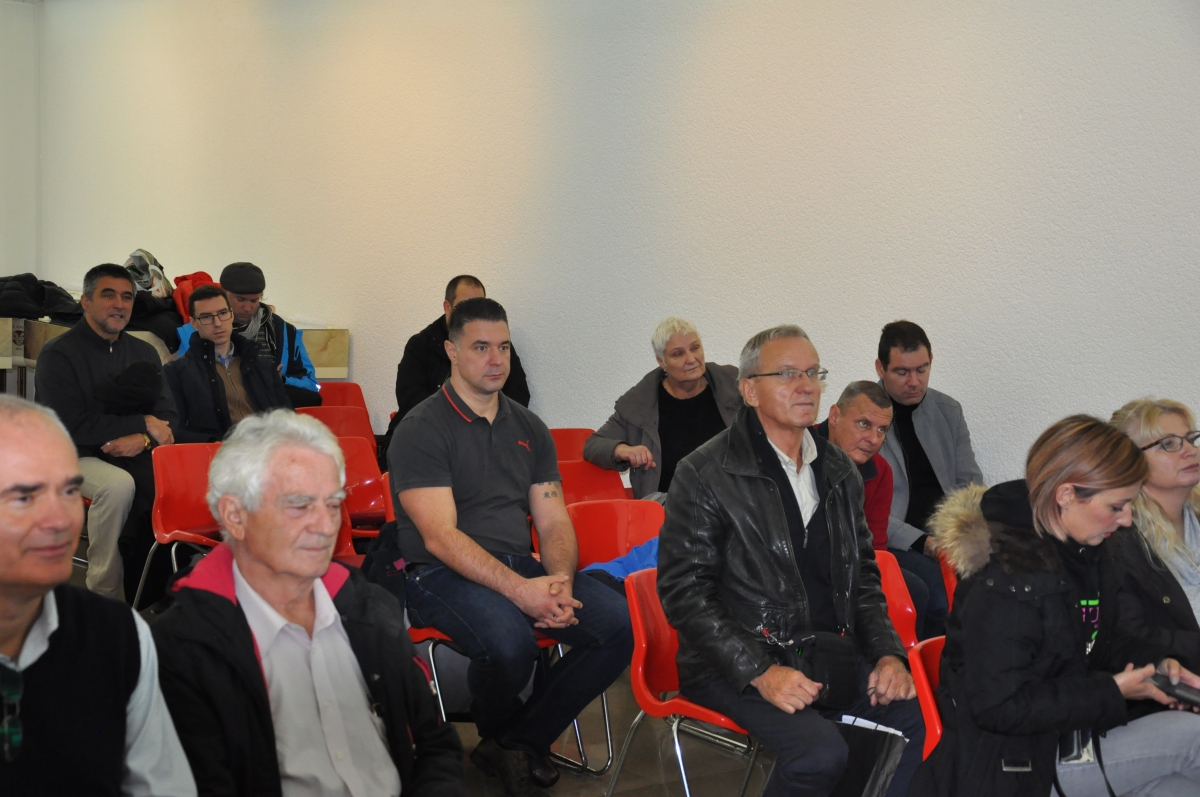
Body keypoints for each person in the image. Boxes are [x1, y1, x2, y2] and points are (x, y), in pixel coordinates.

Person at [658, 325, 924, 797]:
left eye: (813, 373)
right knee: (819, 753)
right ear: (749, 390)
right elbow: (686, 594)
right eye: (786, 374)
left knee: (915, 716)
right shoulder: (704, 473)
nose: (806, 386)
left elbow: (863, 579)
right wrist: (760, 672)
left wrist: (888, 654)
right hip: (732, 662)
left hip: (825, 652)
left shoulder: (839, 471)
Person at [151, 410, 465, 797]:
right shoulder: (183, 649)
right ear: (235, 516)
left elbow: (435, 744)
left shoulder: (368, 608)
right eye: (299, 505)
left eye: (333, 505)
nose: (325, 526)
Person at [390, 297, 632, 797]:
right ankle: (512, 740)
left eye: (503, 347)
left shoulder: (528, 427)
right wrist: (523, 593)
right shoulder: (420, 428)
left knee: (620, 624)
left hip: (521, 564)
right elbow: (439, 537)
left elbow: (553, 518)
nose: (496, 359)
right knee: (511, 643)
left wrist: (559, 580)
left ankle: (516, 741)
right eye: (481, 347)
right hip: (438, 573)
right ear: (451, 351)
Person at [913, 415, 1200, 797]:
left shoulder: (1089, 552)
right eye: (1117, 506)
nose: (1127, 519)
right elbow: (1000, 707)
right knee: (1193, 739)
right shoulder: (1006, 583)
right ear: (1066, 495)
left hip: (1069, 736)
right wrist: (1112, 691)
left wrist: (1158, 664)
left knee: (1179, 787)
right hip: (1010, 764)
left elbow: (1102, 641)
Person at [0, 395, 195, 796]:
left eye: (70, 491)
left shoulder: (119, 634)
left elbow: (161, 784)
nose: (60, 520)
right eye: (25, 497)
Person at [33, 263, 178, 602]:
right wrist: (143, 423)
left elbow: (168, 415)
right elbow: (70, 425)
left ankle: (161, 588)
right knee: (118, 486)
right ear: (85, 301)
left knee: (179, 477)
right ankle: (105, 594)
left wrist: (142, 438)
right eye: (108, 295)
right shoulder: (59, 354)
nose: (119, 304)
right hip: (70, 453)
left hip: (134, 453)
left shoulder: (143, 351)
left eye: (127, 297)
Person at [875, 320, 981, 638]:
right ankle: (931, 666)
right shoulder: (865, 417)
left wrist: (965, 534)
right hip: (895, 542)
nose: (914, 382)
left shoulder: (948, 411)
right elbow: (865, 508)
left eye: (922, 369)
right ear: (880, 368)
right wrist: (924, 542)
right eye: (902, 372)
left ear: (931, 360)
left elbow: (969, 484)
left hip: (947, 537)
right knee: (939, 596)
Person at [815, 380, 932, 639]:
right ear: (834, 416)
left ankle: (901, 660)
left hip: (853, 564)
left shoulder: (880, 470)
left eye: (882, 430)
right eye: (864, 424)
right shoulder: (800, 449)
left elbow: (875, 546)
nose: (873, 439)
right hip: (805, 564)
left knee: (916, 590)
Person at [583, 317, 742, 501]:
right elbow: (592, 445)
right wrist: (623, 449)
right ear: (662, 362)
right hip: (669, 507)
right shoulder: (639, 403)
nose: (691, 359)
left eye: (695, 348)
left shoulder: (736, 386)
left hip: (734, 501)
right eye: (678, 354)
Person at [1109, 398, 1200, 671]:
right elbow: (1131, 636)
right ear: (1128, 461)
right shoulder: (1116, 538)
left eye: (1191, 439)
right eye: (1168, 444)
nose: (1190, 451)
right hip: (1173, 682)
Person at [175, 262, 321, 408]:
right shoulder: (196, 331)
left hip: (271, 405)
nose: (247, 307)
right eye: (240, 300)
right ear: (224, 294)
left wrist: (280, 379)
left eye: (254, 300)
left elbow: (312, 384)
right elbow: (185, 382)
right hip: (220, 406)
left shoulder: (285, 331)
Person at [393, 275, 531, 424]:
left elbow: (518, 394)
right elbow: (410, 399)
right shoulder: (421, 345)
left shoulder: (497, 345)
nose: (473, 313)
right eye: (481, 348)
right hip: (427, 429)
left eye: (479, 306)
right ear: (447, 307)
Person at [164, 285, 291, 443]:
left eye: (223, 313)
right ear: (193, 323)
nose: (217, 323)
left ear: (231, 315)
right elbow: (175, 430)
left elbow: (286, 414)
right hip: (218, 451)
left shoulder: (261, 365)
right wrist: (213, 443)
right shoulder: (176, 372)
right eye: (206, 317)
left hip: (267, 447)